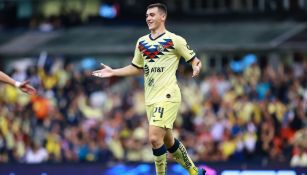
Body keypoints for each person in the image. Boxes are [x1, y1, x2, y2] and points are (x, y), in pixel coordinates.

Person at [92, 3, 205, 175]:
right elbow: (137, 67)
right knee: (167, 140)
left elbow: (195, 60)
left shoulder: (175, 40)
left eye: (152, 15)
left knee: (153, 138)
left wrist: (196, 67)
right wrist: (114, 72)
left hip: (168, 95)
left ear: (163, 17)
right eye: (147, 16)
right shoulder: (142, 42)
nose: (148, 18)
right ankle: (195, 172)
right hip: (150, 98)